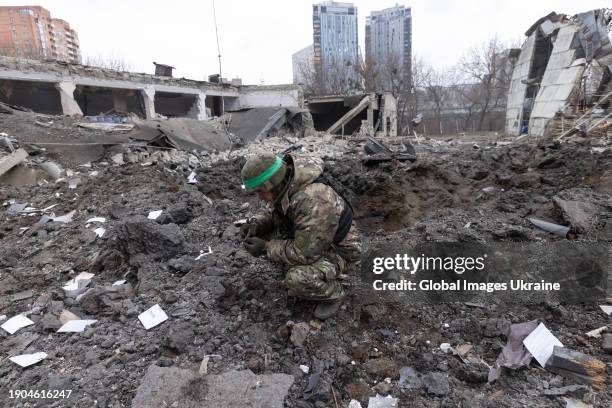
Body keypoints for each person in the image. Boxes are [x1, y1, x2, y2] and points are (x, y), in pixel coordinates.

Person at [240, 152, 360, 319]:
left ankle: (334, 293)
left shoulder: (313, 201)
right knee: (273, 235)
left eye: (260, 191)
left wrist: (266, 247)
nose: (259, 197)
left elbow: (304, 254)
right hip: (316, 237)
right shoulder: (286, 182)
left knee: (297, 278)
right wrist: (258, 223)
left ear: (272, 184)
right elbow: (277, 207)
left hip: (339, 250)